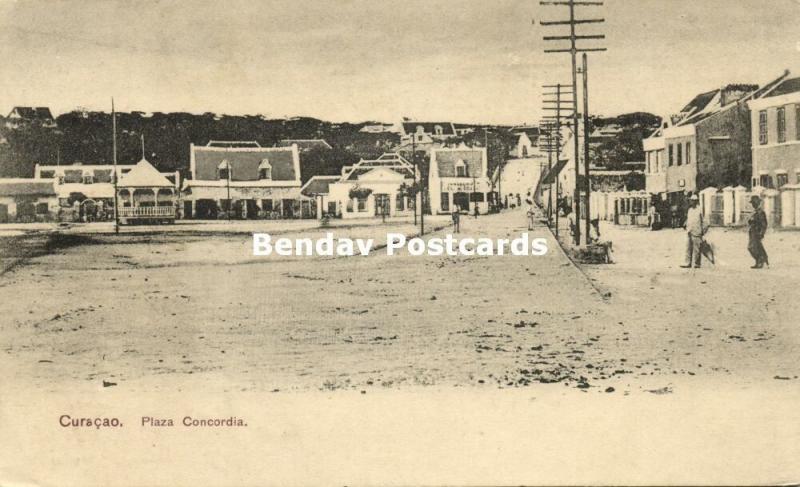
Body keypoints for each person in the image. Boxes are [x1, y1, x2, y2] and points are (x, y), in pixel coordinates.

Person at [681, 194, 705, 268]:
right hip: (689, 231)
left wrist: (703, 231)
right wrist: (685, 223)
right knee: (688, 248)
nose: (692, 202)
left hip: (697, 231)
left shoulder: (700, 210)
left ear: (696, 201)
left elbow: (704, 221)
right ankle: (688, 263)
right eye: (691, 200)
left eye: (693, 201)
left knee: (697, 248)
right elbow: (689, 218)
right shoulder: (690, 210)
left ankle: (697, 263)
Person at [747, 195, 769, 269]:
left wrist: (761, 233)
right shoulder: (755, 212)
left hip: (757, 232)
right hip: (752, 232)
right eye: (752, 203)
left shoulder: (760, 212)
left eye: (754, 203)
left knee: (753, 247)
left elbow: (764, 224)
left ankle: (761, 261)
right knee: (755, 247)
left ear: (757, 203)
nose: (753, 204)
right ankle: (759, 261)